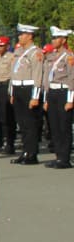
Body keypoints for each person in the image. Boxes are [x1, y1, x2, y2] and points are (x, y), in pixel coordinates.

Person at [9, 23, 43, 165]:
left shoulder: (35, 53)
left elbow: (37, 75)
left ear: (29, 36)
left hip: (28, 89)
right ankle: (24, 151)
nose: (19, 37)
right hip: (17, 89)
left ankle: (31, 154)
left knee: (30, 124)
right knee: (21, 123)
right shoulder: (18, 52)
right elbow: (13, 74)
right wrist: (11, 92)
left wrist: (35, 96)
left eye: (22, 34)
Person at [43, 26, 73, 169]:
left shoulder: (69, 56)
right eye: (53, 38)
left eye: (56, 38)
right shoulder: (52, 56)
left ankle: (65, 158)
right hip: (53, 93)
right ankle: (59, 156)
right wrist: (46, 99)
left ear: (63, 39)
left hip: (63, 93)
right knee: (54, 126)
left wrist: (70, 100)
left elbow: (72, 79)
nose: (53, 40)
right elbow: (47, 79)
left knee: (64, 127)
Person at [0, 36, 16, 154]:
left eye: (1, 46)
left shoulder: (11, 57)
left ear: (7, 46)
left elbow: (13, 75)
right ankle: (0, 141)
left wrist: (11, 92)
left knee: (7, 117)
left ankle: (9, 143)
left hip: (6, 86)